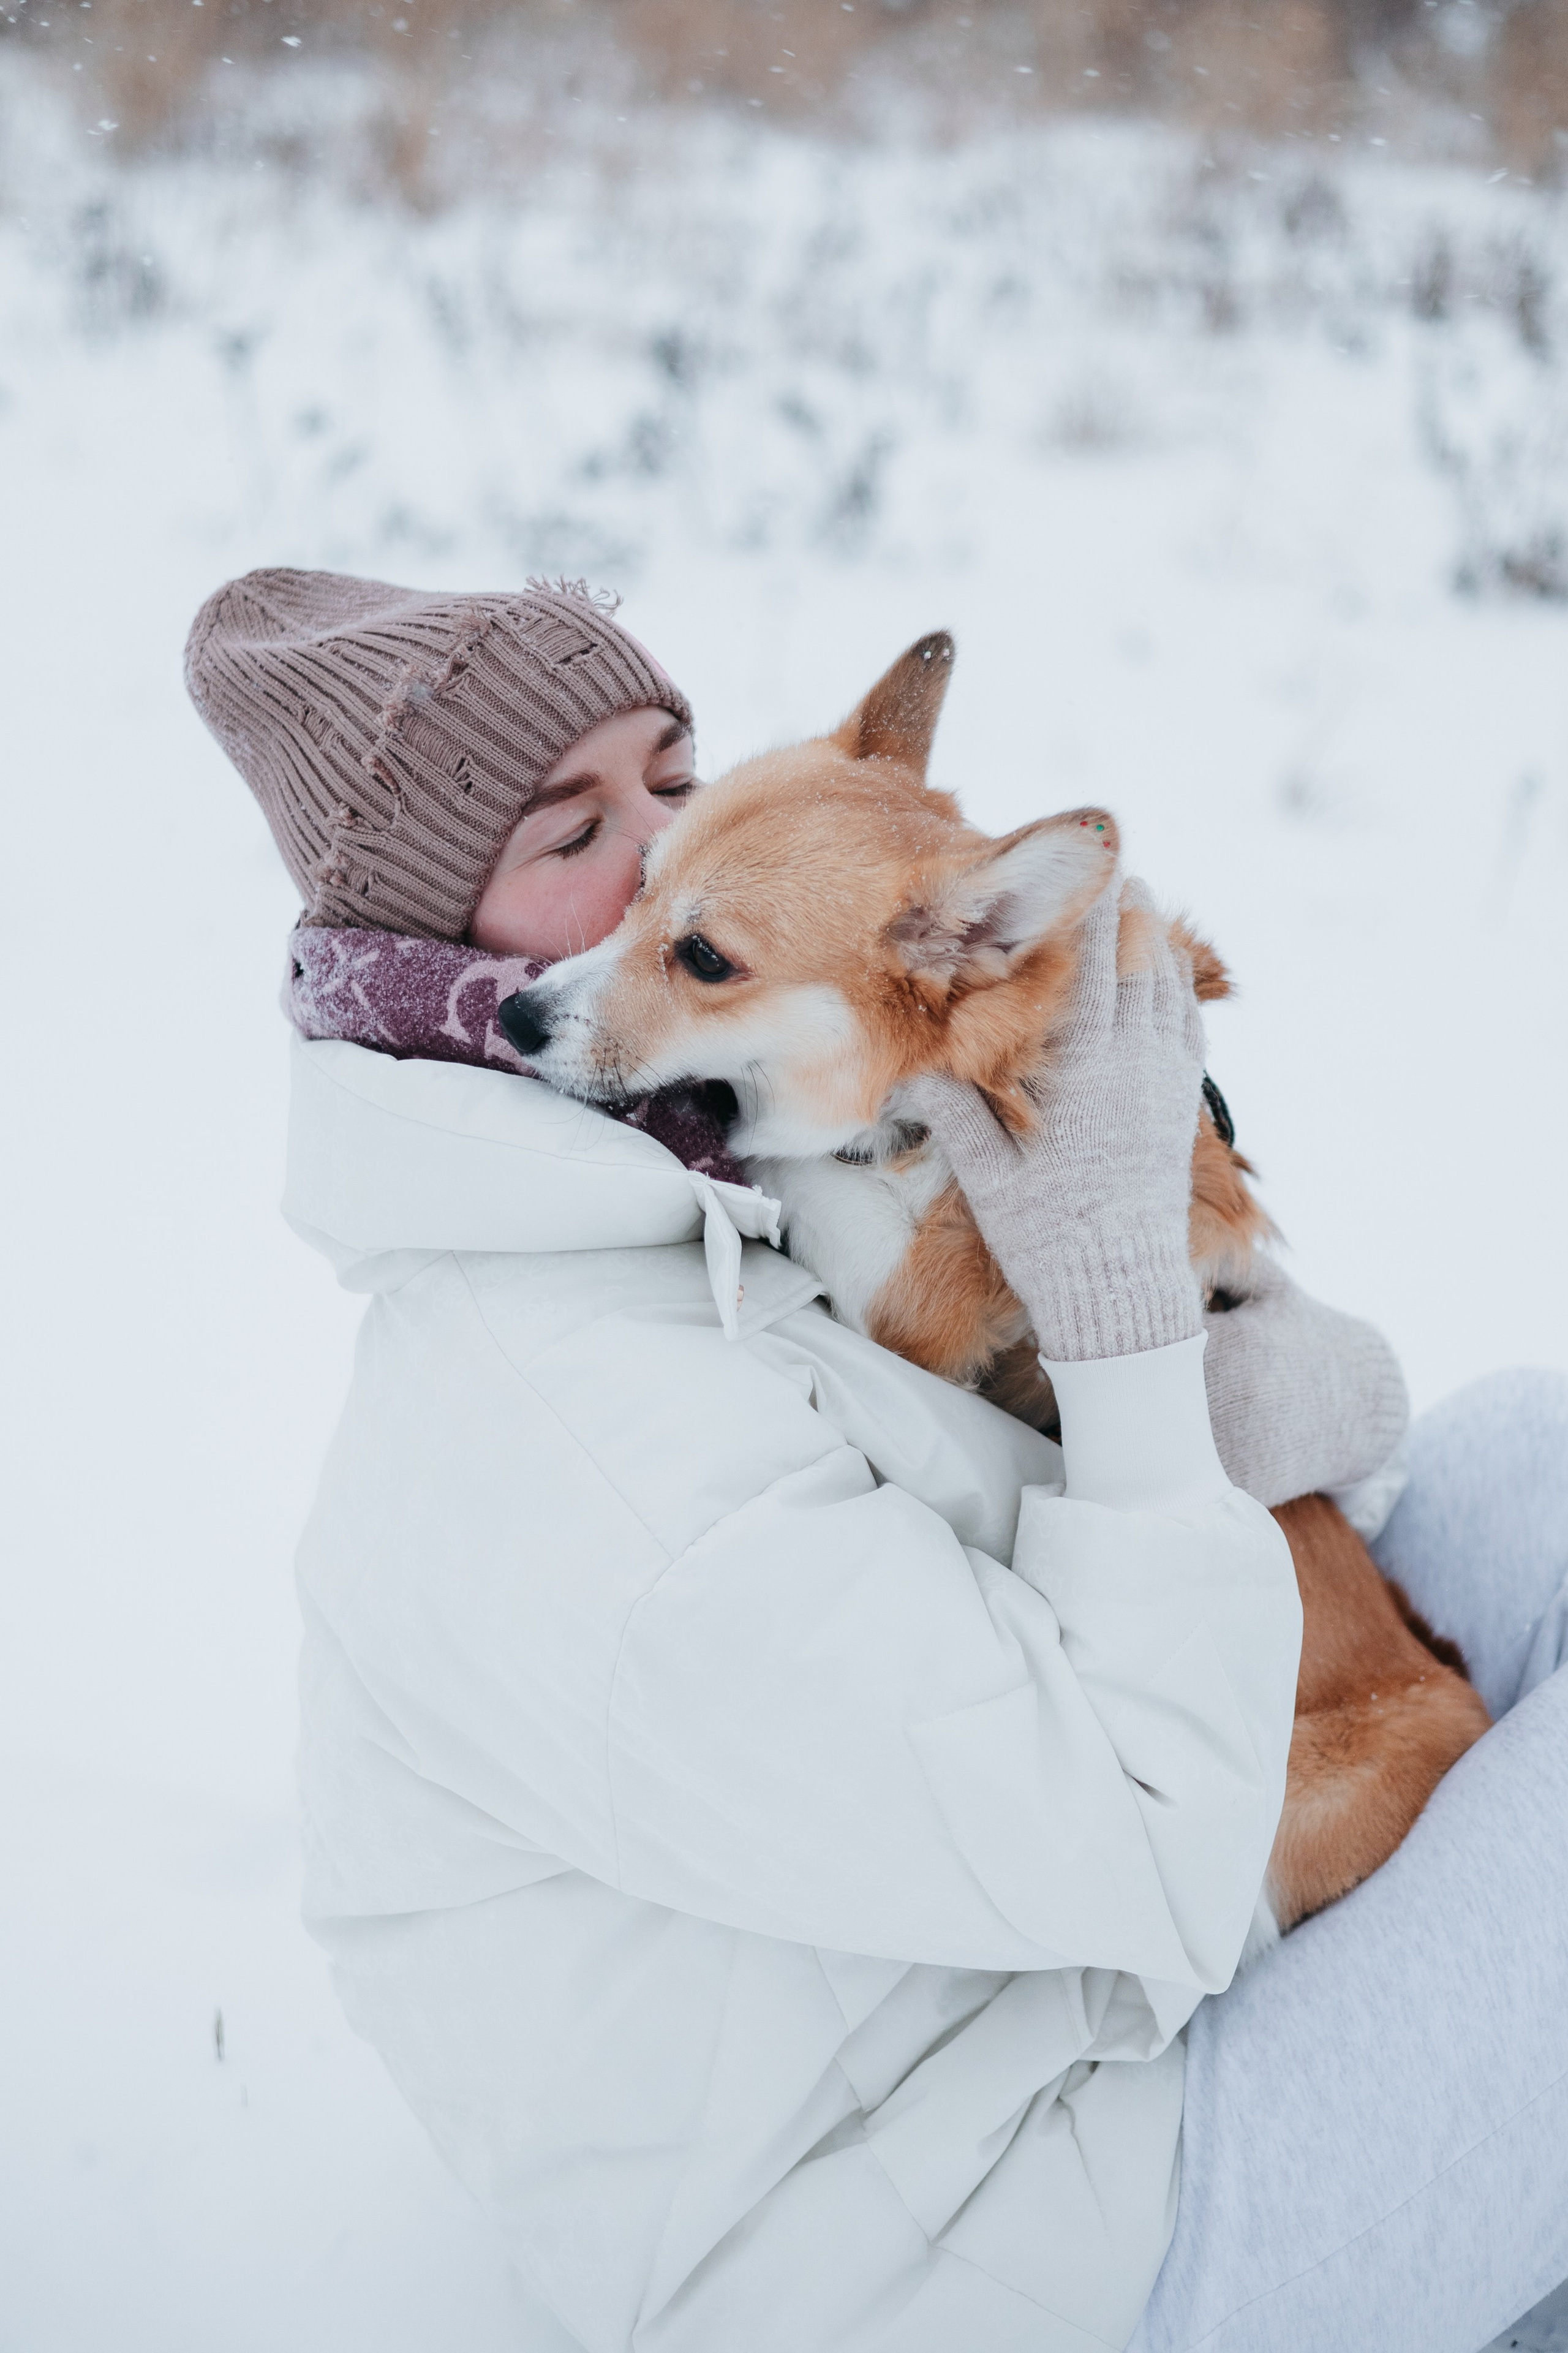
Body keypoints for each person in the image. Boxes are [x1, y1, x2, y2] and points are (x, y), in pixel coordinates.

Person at [187, 567, 1568, 2353]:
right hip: (1018, 2241)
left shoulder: (667, 1177)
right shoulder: (587, 1461)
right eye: (572, 833)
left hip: (998, 2004)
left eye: (674, 776)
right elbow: (1144, 1831)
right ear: (441, 939)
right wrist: (1127, 1339)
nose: (675, 856)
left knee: (1532, 1449)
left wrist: (1204, 1299)